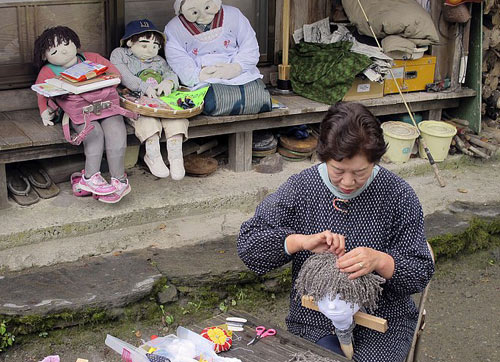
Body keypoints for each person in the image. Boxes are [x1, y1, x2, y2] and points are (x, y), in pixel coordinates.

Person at [237, 102, 435, 361]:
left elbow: (420, 271)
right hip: (314, 318)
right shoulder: (302, 188)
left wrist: (380, 260)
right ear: (324, 157)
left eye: (360, 172)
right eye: (338, 171)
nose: (348, 182)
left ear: (375, 161)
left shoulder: (397, 194)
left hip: (383, 321)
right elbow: (249, 246)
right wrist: (300, 242)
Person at [34, 26, 130, 203]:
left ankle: (120, 180)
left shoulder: (92, 58)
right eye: (54, 50)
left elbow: (115, 74)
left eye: (65, 44)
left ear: (75, 42)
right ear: (44, 56)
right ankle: (91, 177)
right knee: (94, 134)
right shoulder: (48, 71)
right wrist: (44, 112)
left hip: (106, 106)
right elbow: (42, 94)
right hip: (79, 113)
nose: (62, 51)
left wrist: (94, 84)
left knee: (116, 131)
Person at [111, 19, 188, 180]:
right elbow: (123, 74)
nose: (150, 50)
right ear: (130, 42)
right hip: (135, 102)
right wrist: (143, 87)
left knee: (176, 119)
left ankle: (175, 157)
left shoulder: (159, 61)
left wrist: (169, 82)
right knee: (147, 121)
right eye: (144, 45)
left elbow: (170, 73)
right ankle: (153, 155)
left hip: (160, 102)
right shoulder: (120, 54)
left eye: (155, 46)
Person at [164, 0, 271, 116]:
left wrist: (237, 67)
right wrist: (198, 75)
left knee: (257, 96)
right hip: (204, 79)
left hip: (240, 74)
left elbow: (249, 45)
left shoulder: (234, 15)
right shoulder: (174, 28)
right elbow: (178, 60)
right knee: (213, 101)